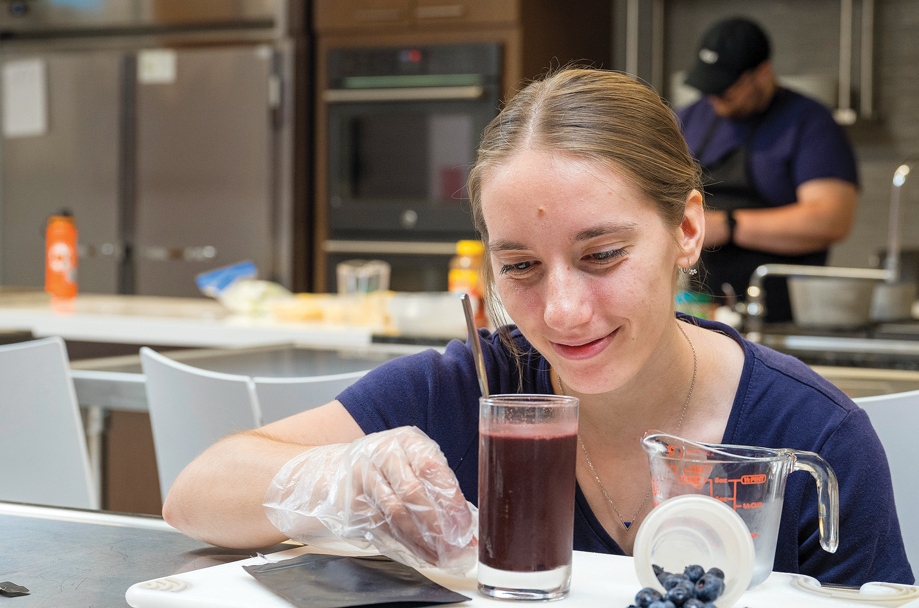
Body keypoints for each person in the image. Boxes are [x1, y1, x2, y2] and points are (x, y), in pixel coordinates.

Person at [163, 68, 912, 585]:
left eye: (602, 254)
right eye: (519, 266)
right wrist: (339, 478)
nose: (560, 313)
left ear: (686, 229)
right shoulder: (472, 389)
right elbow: (195, 495)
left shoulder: (811, 437)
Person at [677, 17, 859, 322]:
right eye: (709, 88)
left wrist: (729, 226)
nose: (715, 99)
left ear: (762, 74)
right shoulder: (689, 119)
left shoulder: (809, 123)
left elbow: (831, 219)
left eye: (726, 90)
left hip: (781, 314)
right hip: (699, 306)